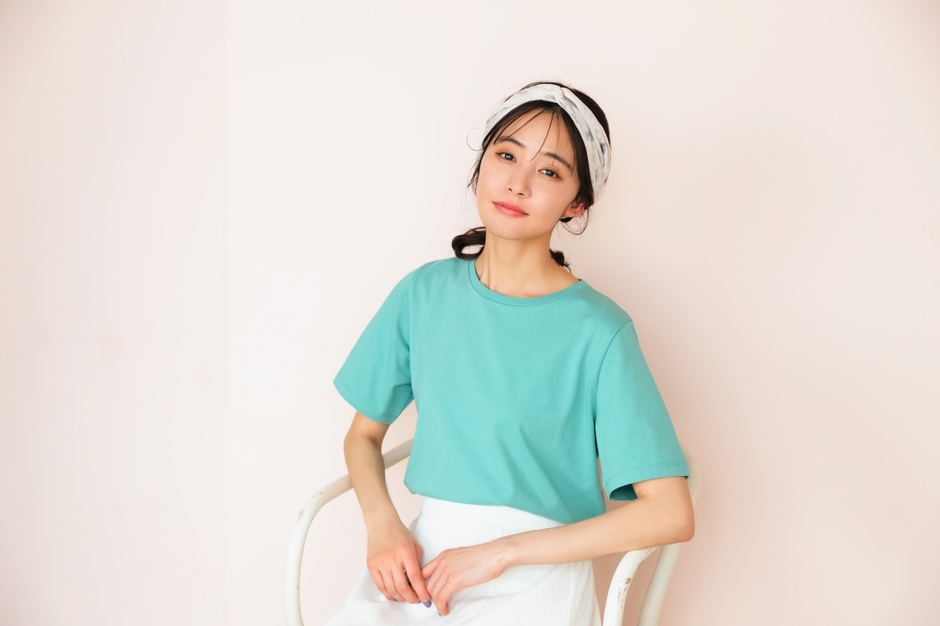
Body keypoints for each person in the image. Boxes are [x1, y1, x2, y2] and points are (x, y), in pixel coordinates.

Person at [324, 81, 695, 625]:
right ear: (482, 164)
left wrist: (502, 553)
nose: (518, 183)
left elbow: (671, 513)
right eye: (506, 155)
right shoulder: (423, 295)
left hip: (536, 578)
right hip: (424, 568)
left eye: (549, 171)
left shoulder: (599, 330)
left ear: (577, 202)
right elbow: (362, 436)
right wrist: (382, 524)